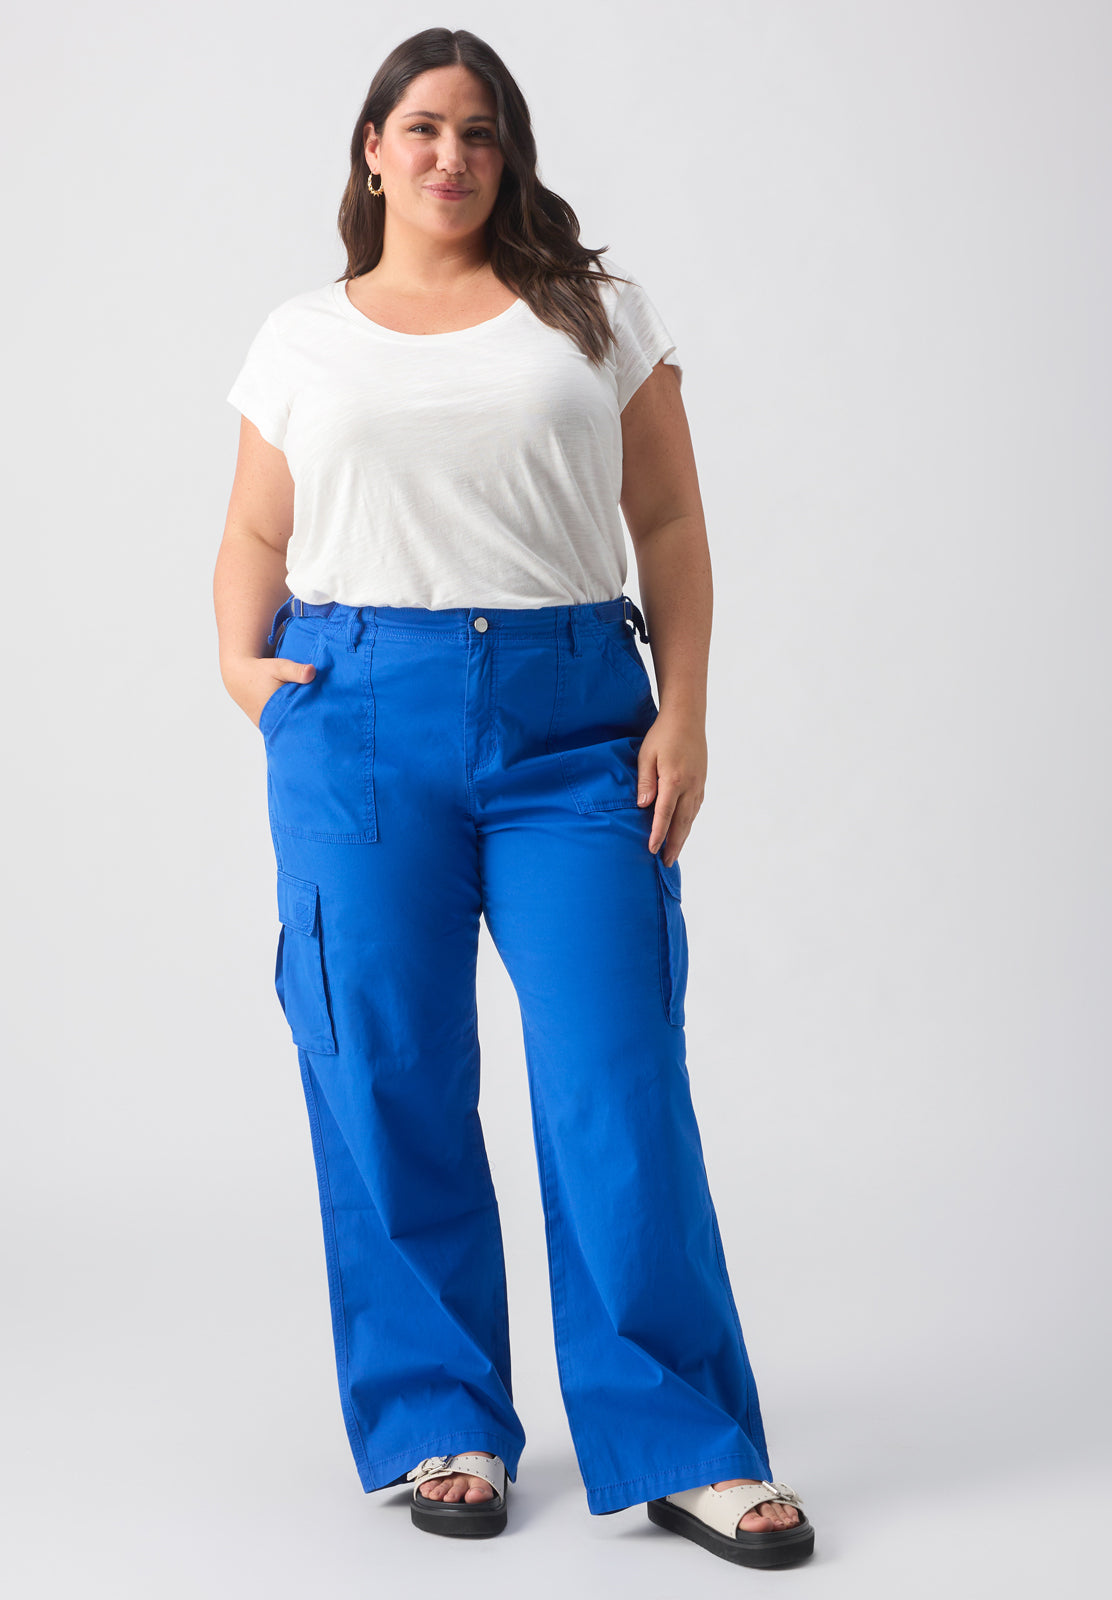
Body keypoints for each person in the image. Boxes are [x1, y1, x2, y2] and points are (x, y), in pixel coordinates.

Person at [213, 25, 815, 1570]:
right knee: (388, 1069)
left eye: (479, 131)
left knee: (614, 1079)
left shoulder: (593, 314)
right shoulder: (304, 337)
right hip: (357, 718)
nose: (451, 156)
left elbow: (669, 518)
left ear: (510, 149)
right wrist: (238, 658)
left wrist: (686, 711)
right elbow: (255, 535)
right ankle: (440, 1423)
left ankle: (683, 1438)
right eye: (421, 129)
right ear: (371, 149)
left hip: (572, 729)